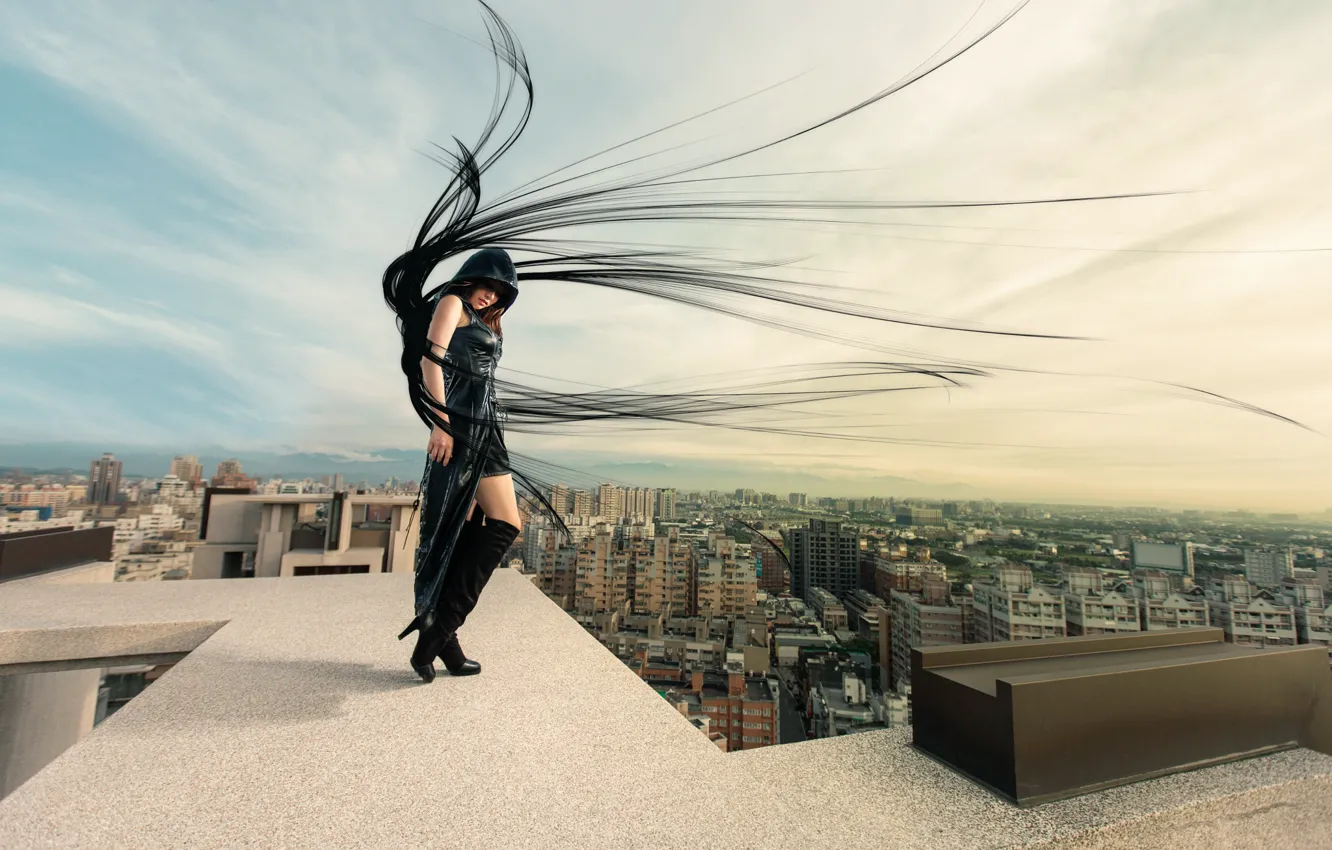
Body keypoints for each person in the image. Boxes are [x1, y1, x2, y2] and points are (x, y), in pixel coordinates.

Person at [396, 247, 523, 683]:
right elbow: (430, 359)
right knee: (506, 523)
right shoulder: (452, 303)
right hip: (462, 426)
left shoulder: (485, 320)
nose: (491, 296)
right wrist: (441, 423)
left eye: (501, 292)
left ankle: (444, 641)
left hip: (486, 426)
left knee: (468, 528)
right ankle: (437, 632)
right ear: (471, 278)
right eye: (488, 285)